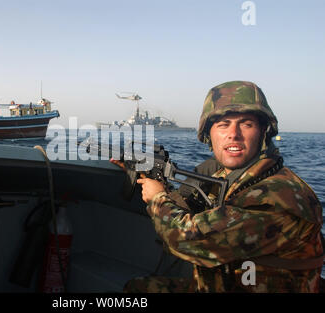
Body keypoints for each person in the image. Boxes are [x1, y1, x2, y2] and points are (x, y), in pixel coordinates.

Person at [113, 81, 324, 293]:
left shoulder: (277, 197)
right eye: (223, 125)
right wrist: (149, 176)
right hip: (223, 284)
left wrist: (157, 197)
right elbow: (197, 209)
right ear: (210, 134)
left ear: (263, 132)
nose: (233, 134)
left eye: (246, 124)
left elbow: (187, 240)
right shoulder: (233, 176)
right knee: (137, 288)